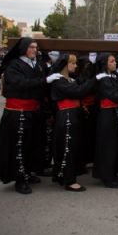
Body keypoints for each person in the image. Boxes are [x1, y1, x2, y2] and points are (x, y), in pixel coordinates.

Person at [0, 38, 61, 194]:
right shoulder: (14, 65)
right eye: (32, 47)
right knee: (19, 146)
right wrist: (44, 80)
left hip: (34, 111)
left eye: (36, 47)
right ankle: (19, 179)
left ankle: (28, 172)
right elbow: (20, 83)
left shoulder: (37, 64)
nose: (35, 50)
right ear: (24, 48)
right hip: (17, 112)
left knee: (32, 145)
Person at [50, 54, 96, 192]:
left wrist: (92, 68)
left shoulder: (69, 79)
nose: (75, 66)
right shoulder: (59, 81)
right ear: (65, 65)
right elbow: (79, 91)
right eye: (73, 64)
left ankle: (63, 175)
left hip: (71, 114)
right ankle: (69, 180)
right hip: (66, 116)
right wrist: (94, 80)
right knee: (67, 148)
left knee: (71, 147)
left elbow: (81, 81)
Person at [92, 53, 118, 188]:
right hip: (107, 115)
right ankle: (107, 177)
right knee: (108, 146)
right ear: (104, 63)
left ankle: (113, 172)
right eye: (111, 61)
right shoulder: (103, 80)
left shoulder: (114, 76)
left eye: (115, 61)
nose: (115, 63)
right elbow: (116, 96)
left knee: (115, 144)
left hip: (115, 113)